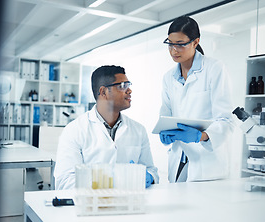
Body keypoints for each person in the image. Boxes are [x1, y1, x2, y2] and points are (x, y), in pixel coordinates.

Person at [54, 65, 159, 189]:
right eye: (122, 86)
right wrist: (113, 183)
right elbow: (65, 182)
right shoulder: (75, 130)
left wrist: (150, 177)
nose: (129, 90)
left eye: (128, 85)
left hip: (130, 203)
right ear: (103, 92)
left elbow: (152, 171)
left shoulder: (138, 130)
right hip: (91, 204)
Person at [159, 16, 233, 183]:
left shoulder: (214, 69)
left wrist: (201, 136)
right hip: (179, 156)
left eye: (180, 44)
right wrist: (164, 131)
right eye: (170, 43)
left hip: (208, 162)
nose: (174, 50)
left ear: (195, 42)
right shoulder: (168, 77)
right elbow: (166, 113)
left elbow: (226, 120)